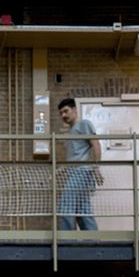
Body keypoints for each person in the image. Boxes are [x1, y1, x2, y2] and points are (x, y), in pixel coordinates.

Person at [56, 97, 102, 232]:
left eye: (66, 111)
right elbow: (76, 155)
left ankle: (66, 241)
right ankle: (93, 241)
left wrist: (96, 167)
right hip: (75, 173)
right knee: (83, 209)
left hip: (82, 172)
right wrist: (62, 169)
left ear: (75, 110)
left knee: (66, 204)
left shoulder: (84, 124)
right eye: (61, 113)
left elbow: (95, 143)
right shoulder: (71, 132)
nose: (63, 115)